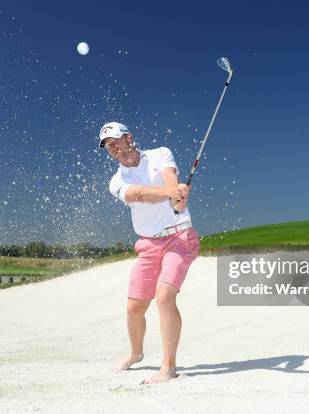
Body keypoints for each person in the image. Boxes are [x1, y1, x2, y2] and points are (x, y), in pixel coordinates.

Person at [99, 121, 200, 384]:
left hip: (180, 236)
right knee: (134, 307)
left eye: (116, 141)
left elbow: (170, 178)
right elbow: (138, 195)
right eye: (108, 146)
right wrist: (171, 193)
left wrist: (176, 192)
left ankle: (169, 367)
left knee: (164, 296)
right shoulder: (116, 181)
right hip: (148, 244)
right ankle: (136, 353)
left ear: (129, 137)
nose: (114, 148)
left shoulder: (160, 154)